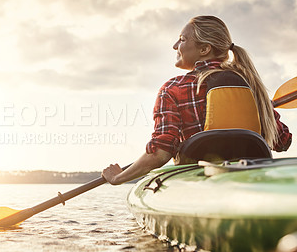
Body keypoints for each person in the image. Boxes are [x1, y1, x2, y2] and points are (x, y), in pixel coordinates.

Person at [102, 15, 292, 185]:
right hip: (253, 178)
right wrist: (264, 109)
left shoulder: (173, 88)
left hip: (195, 183)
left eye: (182, 39)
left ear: (204, 49)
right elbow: (283, 142)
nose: (175, 46)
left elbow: (161, 153)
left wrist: (118, 177)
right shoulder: (250, 85)